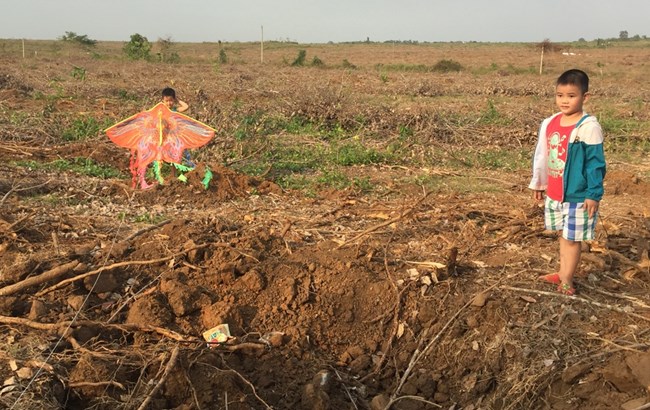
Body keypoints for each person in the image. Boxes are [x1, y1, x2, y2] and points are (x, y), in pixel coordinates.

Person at [529, 69, 606, 296]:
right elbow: (542, 155)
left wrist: (593, 194)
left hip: (578, 196)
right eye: (560, 95)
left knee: (573, 240)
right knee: (564, 234)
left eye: (571, 95)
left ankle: (567, 280)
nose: (564, 100)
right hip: (555, 193)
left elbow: (596, 165)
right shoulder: (551, 122)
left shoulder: (588, 127)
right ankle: (563, 273)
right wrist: (539, 183)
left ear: (585, 97)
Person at [137, 87, 192, 189]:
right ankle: (158, 178)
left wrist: (177, 100)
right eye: (166, 101)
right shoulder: (159, 112)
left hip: (173, 139)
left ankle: (174, 176)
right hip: (162, 139)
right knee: (159, 159)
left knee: (175, 158)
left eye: (171, 100)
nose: (169, 103)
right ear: (163, 101)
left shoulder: (175, 110)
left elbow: (186, 106)